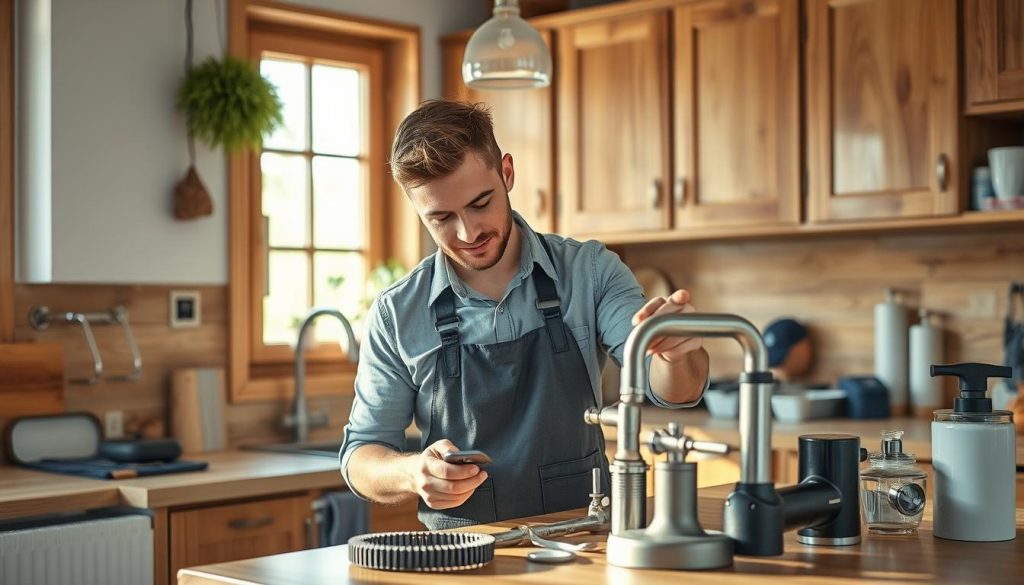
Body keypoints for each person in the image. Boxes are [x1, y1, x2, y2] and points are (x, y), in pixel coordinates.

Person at [340, 100, 709, 530]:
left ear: (507, 173)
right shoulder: (397, 313)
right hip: (464, 560)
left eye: (480, 203)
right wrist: (413, 473)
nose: (468, 232)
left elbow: (674, 390)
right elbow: (362, 454)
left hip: (585, 545)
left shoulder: (589, 271)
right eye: (441, 217)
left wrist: (674, 355)